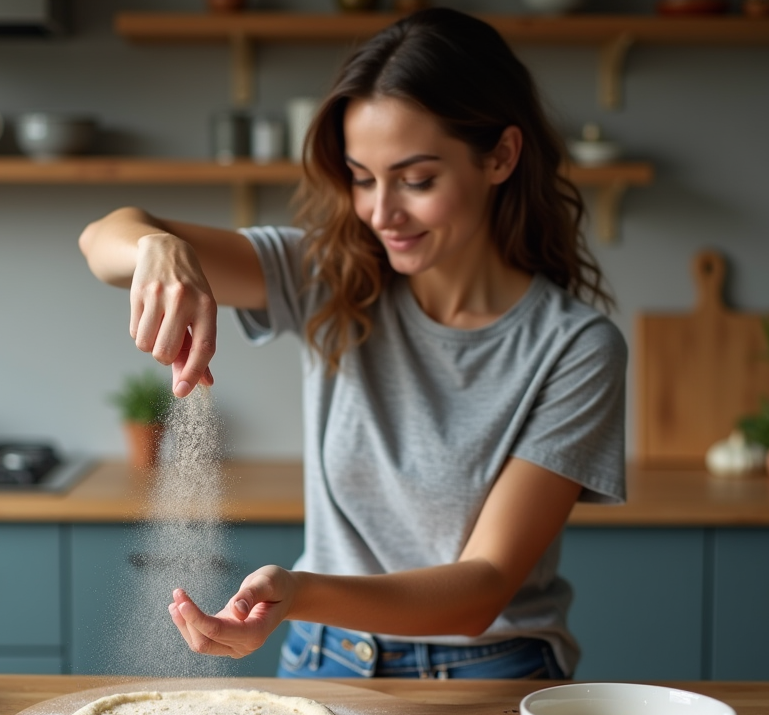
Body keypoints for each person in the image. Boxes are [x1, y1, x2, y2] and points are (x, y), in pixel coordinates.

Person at [78, 8, 626, 680]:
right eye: (363, 177)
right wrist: (158, 248)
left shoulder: (577, 349)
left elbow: (483, 588)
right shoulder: (329, 275)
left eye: (417, 180)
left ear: (501, 156)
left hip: (492, 672)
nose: (381, 213)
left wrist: (302, 594)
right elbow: (103, 240)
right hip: (324, 659)